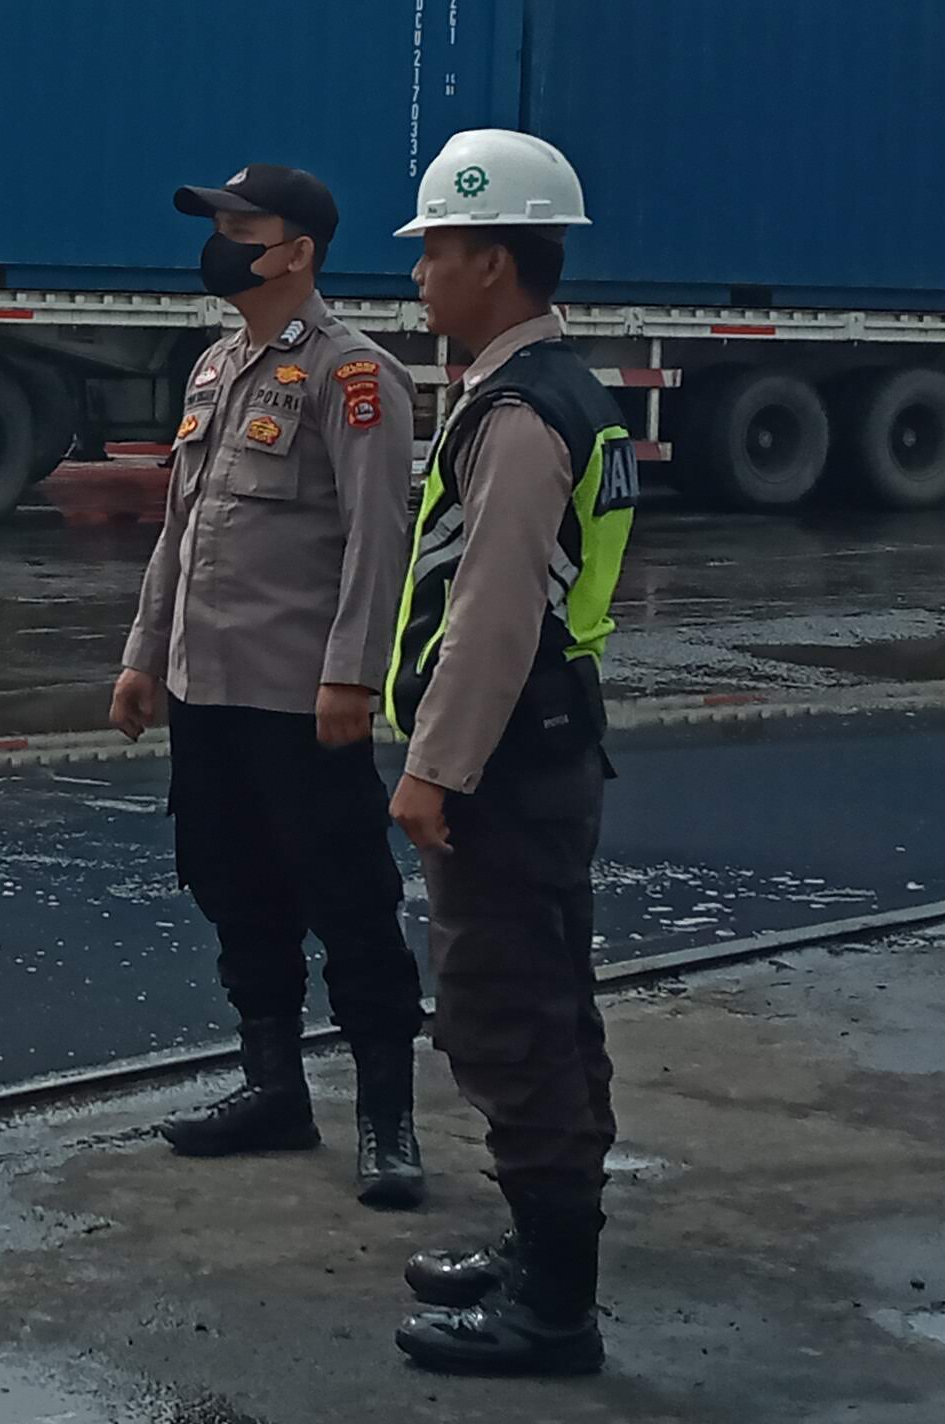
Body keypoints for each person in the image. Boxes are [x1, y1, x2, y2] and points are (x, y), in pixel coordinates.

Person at [112, 162, 428, 1209]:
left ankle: (386, 1121)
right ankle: (274, 1089)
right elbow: (181, 531)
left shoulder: (355, 375)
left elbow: (378, 540)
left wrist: (353, 675)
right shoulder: (213, 369)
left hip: (301, 700)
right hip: (206, 692)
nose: (221, 244)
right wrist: (143, 655)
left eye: (241, 229)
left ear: (295, 251)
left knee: (348, 902)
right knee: (232, 887)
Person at [380, 129, 633, 1378]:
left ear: (491, 260)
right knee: (547, 1005)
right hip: (545, 751)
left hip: (507, 764)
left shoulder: (522, 415)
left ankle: (552, 1313)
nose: (417, 272)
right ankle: (541, 1251)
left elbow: (491, 616)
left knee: (506, 1021)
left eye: (433, 247)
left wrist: (433, 768)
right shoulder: (557, 390)